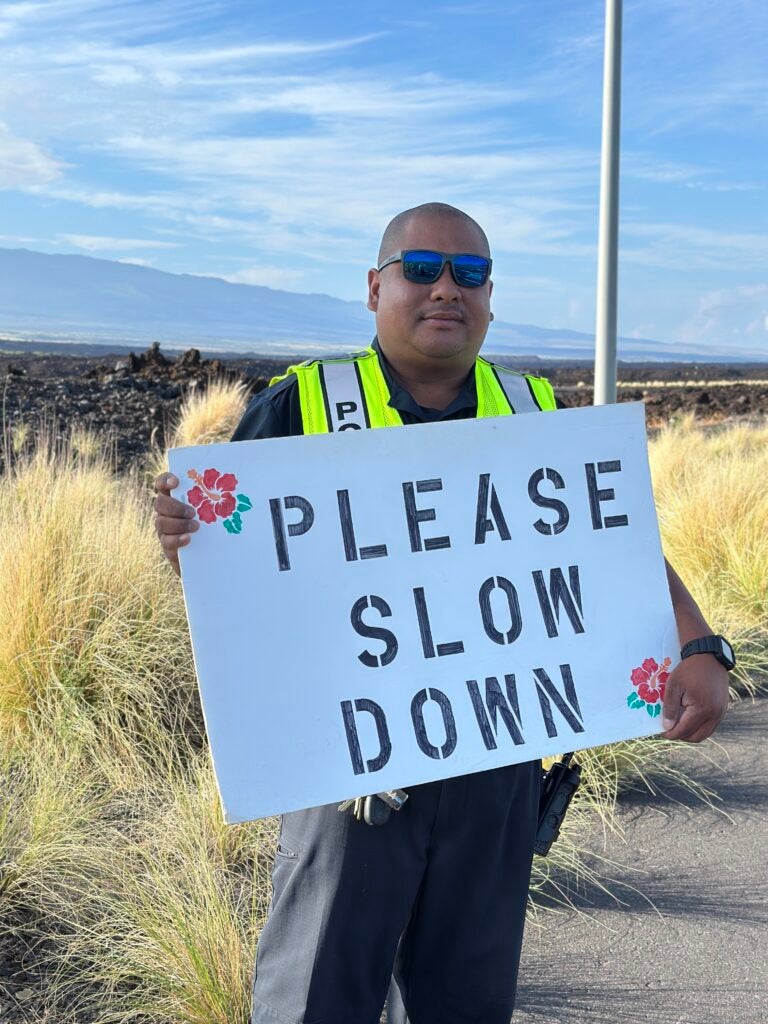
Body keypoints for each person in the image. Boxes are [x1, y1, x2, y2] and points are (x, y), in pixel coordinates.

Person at [154, 202, 732, 1024]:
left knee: (463, 1002)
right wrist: (184, 540)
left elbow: (613, 544)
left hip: (497, 773)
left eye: (468, 273)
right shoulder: (299, 405)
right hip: (349, 777)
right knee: (316, 998)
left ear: (490, 297)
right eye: (421, 269)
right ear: (375, 287)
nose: (444, 290)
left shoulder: (533, 411)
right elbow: (232, 573)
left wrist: (698, 642)